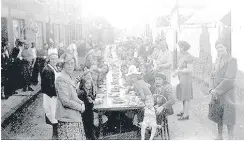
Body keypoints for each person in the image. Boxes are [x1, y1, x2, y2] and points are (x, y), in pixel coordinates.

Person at [208, 40, 237, 140]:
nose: (219, 49)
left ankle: (230, 138)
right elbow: (211, 75)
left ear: (226, 47)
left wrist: (217, 90)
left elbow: (229, 79)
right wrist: (211, 88)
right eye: (217, 48)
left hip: (227, 92)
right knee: (218, 115)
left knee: (229, 116)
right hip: (216, 92)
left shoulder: (232, 60)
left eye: (221, 47)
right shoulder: (217, 59)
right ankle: (219, 137)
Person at [55, 53, 86, 140]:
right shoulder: (61, 79)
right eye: (67, 63)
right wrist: (80, 107)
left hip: (73, 117)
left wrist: (81, 103)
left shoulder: (68, 76)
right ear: (63, 65)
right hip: (67, 119)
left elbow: (74, 96)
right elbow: (66, 101)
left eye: (72, 63)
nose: (70, 66)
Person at [172, 40, 194, 120]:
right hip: (181, 77)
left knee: (186, 96)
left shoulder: (188, 56)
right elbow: (180, 66)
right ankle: (183, 110)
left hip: (186, 78)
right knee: (182, 94)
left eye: (180, 47)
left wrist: (179, 71)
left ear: (183, 47)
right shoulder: (181, 55)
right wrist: (176, 72)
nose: (179, 48)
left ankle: (186, 114)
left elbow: (190, 69)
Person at [41, 53, 59, 139]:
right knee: (53, 115)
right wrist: (60, 92)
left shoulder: (54, 68)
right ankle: (54, 137)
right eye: (53, 59)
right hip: (51, 96)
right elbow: (49, 86)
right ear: (49, 59)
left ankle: (55, 135)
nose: (54, 60)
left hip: (53, 96)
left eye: (56, 59)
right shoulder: (47, 70)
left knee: (55, 116)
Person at [77, 74, 97, 140]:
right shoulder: (82, 92)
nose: (89, 85)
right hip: (85, 114)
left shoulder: (87, 91)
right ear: (83, 84)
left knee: (90, 125)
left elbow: (93, 97)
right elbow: (84, 104)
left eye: (90, 83)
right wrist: (91, 102)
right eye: (87, 83)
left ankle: (91, 135)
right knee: (88, 126)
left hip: (89, 112)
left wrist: (92, 100)